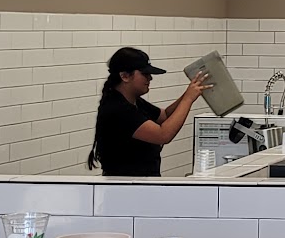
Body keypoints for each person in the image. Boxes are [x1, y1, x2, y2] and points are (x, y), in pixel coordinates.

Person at [88, 47, 210, 178]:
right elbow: (163, 135)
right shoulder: (117, 109)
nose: (150, 78)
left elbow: (164, 116)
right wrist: (188, 99)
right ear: (124, 76)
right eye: (144, 74)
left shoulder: (135, 102)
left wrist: (188, 93)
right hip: (126, 185)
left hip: (142, 182)